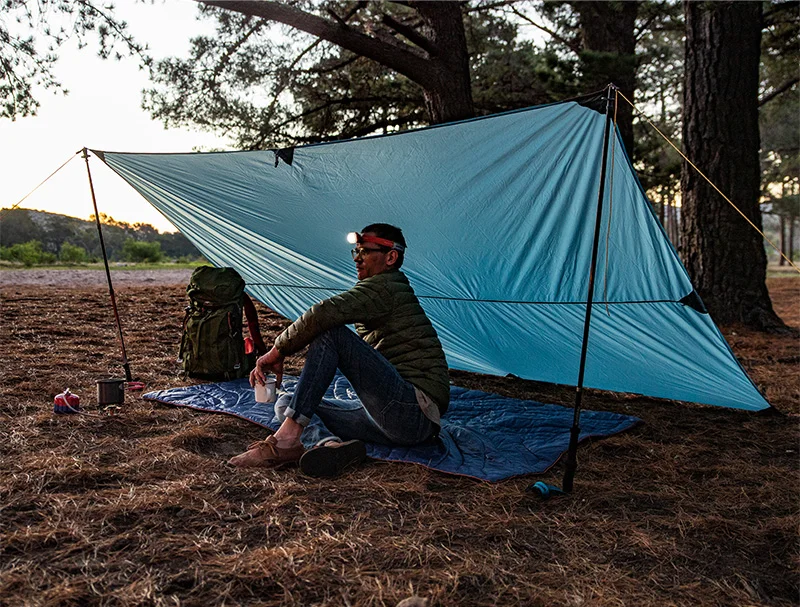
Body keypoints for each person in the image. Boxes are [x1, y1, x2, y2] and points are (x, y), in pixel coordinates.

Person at [229, 223, 450, 477]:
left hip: (413, 413)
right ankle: (327, 445)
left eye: (365, 251)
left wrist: (277, 352)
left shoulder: (387, 288)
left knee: (331, 333)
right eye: (356, 252)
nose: (357, 259)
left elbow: (323, 314)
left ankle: (287, 440)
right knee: (289, 401)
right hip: (384, 419)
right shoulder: (378, 289)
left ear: (391, 257)